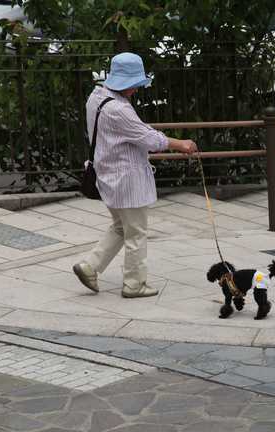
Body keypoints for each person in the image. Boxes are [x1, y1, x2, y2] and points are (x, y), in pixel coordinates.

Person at [73, 52, 198, 299]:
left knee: (121, 226)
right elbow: (147, 138)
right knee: (137, 233)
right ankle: (134, 284)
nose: (136, 90)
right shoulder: (119, 109)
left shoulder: (96, 97)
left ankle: (90, 267)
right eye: (135, 85)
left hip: (107, 175)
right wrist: (180, 144)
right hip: (126, 179)